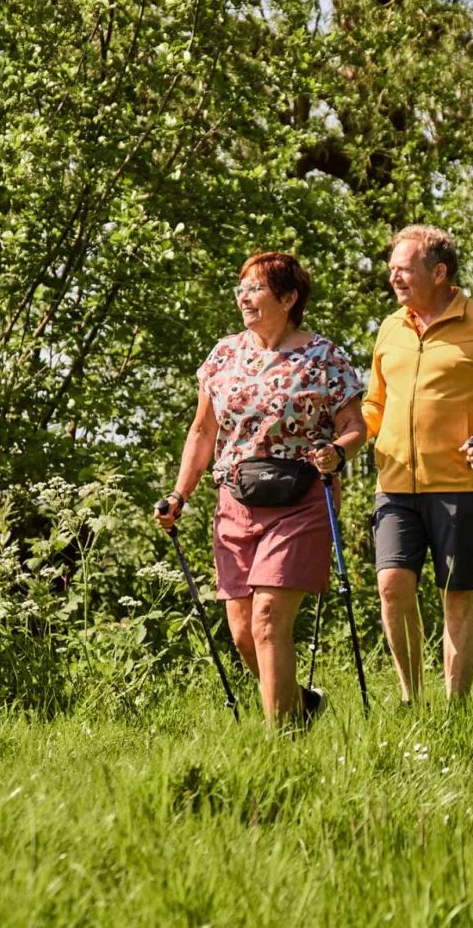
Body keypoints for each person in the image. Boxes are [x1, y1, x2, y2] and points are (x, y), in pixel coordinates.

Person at [155, 252, 366, 724]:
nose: (244, 298)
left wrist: (338, 451)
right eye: (242, 288)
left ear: (288, 298)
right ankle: (300, 706)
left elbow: (355, 424)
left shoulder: (324, 356)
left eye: (255, 289)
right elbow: (202, 432)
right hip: (236, 499)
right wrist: (179, 494)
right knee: (244, 633)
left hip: (301, 498)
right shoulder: (223, 355)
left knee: (269, 619)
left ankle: (281, 742)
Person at [363, 225, 473, 702]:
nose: (394, 276)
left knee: (455, 596)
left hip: (458, 485)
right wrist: (346, 436)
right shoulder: (390, 328)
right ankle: (410, 699)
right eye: (392, 267)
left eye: (404, 268)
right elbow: (374, 405)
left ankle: (455, 707)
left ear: (439, 272)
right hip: (395, 483)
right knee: (392, 587)